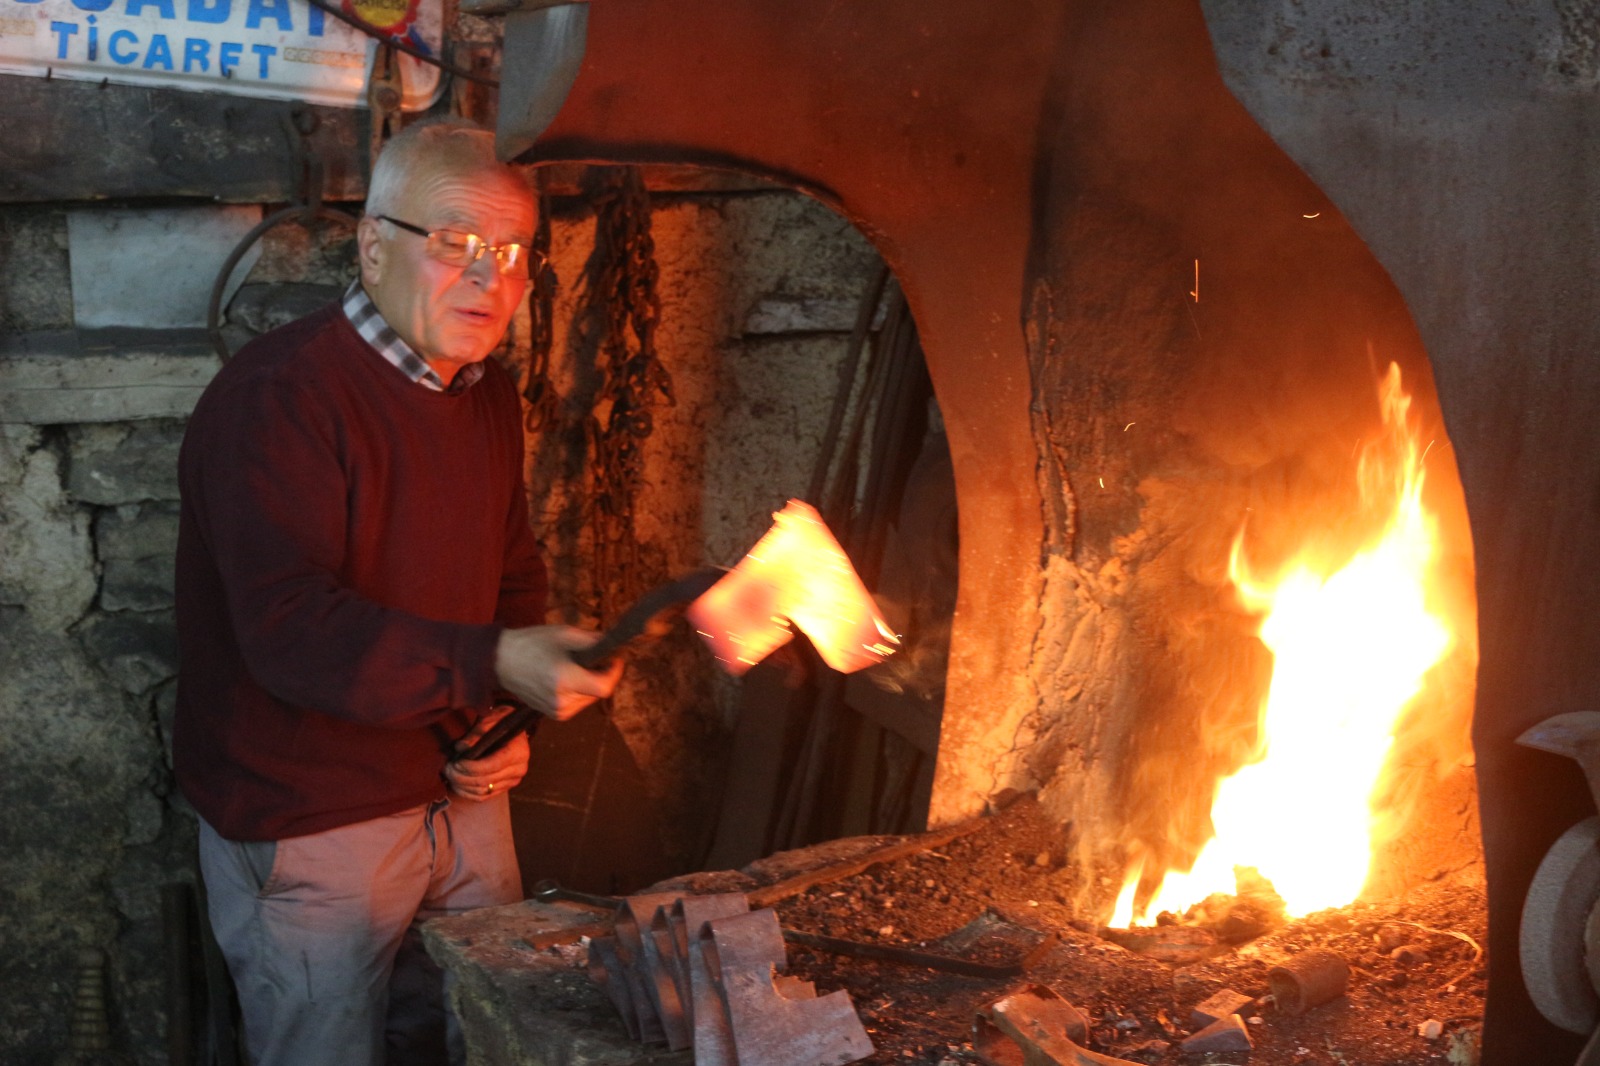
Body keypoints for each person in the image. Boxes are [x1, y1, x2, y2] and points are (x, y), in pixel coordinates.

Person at [171, 120, 619, 1066]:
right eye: (454, 243)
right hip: (313, 818)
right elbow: (291, 632)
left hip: (460, 795)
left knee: (485, 1041)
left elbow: (509, 574)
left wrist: (504, 722)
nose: (486, 277)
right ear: (373, 244)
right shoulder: (281, 398)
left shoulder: (485, 393)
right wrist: (493, 662)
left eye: (510, 253)